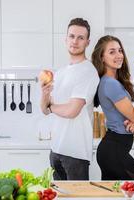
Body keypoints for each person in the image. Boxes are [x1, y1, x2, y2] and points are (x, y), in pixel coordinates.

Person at [40, 18, 99, 180]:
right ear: (65, 39)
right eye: (72, 36)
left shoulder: (88, 71)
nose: (75, 41)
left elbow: (72, 111)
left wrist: (52, 107)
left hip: (76, 153)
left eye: (81, 37)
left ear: (87, 42)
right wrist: (45, 94)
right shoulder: (60, 72)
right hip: (56, 149)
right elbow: (44, 110)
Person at [91, 35, 134, 180]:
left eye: (120, 50)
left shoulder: (112, 82)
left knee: (118, 195)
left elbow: (131, 117)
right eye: (112, 52)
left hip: (113, 149)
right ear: (102, 57)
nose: (119, 55)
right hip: (114, 151)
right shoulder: (110, 83)